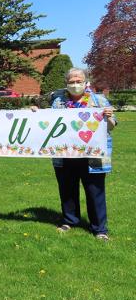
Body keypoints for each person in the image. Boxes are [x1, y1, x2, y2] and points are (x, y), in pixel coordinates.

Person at [49, 68, 117, 241]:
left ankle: (99, 228)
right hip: (66, 152)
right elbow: (48, 124)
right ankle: (69, 220)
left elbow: (111, 126)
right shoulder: (59, 102)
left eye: (78, 81)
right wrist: (35, 113)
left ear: (86, 82)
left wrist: (108, 117)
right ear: (66, 83)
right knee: (67, 188)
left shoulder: (99, 100)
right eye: (71, 81)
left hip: (93, 154)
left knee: (95, 190)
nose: (75, 84)